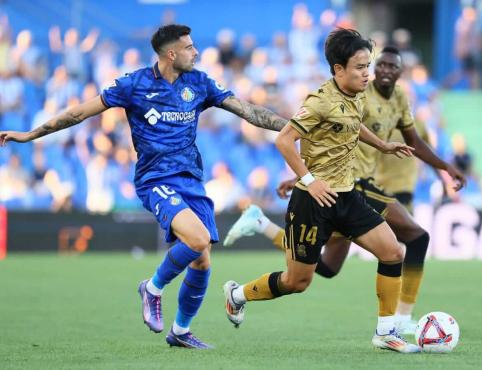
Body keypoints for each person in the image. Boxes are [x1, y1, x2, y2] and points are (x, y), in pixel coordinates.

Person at [0, 24, 289, 349]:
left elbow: (249, 111)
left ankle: (180, 331)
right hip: (156, 180)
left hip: (191, 181)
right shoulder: (133, 84)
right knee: (198, 239)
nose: (196, 52)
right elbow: (78, 113)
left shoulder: (200, 82)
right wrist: (30, 135)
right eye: (189, 47)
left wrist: (291, 127)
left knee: (202, 259)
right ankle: (152, 288)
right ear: (171, 54)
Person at [221, 40, 465, 348]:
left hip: (347, 195)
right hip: (313, 201)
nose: (367, 74)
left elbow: (354, 124)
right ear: (339, 69)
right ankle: (237, 294)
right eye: (361, 68)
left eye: (367, 66)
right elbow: (284, 141)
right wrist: (309, 180)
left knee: (393, 252)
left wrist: (382, 144)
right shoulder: (319, 101)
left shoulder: (358, 94)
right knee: (298, 281)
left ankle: (386, 333)